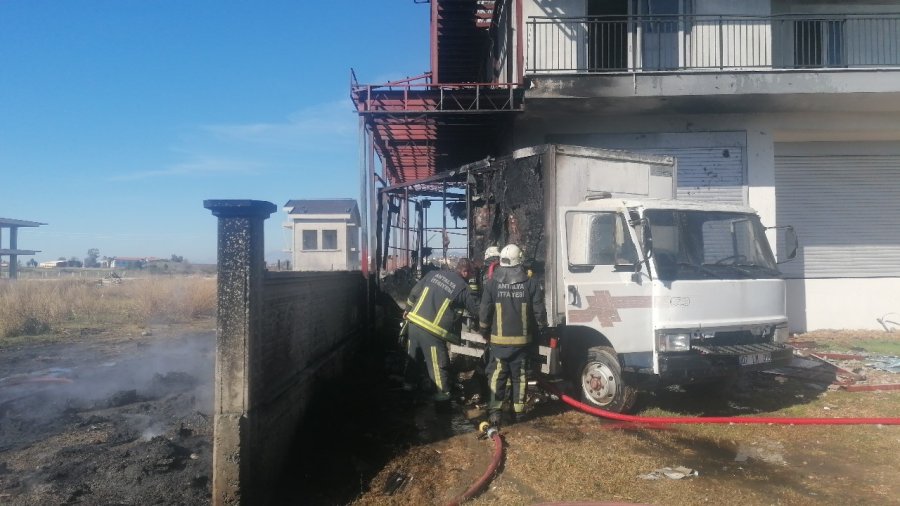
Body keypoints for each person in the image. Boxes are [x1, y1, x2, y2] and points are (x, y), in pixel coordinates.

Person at [479, 244, 547, 426]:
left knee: (497, 376)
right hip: (522, 343)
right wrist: (543, 330)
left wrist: (484, 332)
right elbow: (539, 312)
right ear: (520, 260)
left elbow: (484, 311)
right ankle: (519, 414)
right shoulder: (530, 283)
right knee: (520, 377)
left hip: (498, 343)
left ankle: (495, 413)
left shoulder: (492, 283)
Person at [403, 258, 479, 412]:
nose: (472, 276)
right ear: (465, 272)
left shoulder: (433, 274)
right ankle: (443, 407)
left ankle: (407, 397)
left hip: (413, 324)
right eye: (472, 273)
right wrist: (475, 288)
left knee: (412, 361)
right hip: (432, 332)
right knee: (439, 368)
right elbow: (477, 310)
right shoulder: (462, 288)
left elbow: (414, 293)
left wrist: (407, 309)